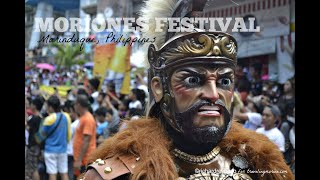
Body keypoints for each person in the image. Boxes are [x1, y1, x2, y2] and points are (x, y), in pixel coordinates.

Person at [81, 0, 293, 179]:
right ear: (158, 87)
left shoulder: (258, 163)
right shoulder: (122, 173)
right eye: (193, 80)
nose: (213, 94)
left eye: (225, 82)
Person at [36, 95, 71, 180]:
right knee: (64, 173)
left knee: (52, 174)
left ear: (51, 107)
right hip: (63, 149)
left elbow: (39, 137)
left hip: (50, 150)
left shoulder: (48, 119)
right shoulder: (66, 116)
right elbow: (69, 135)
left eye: (47, 106)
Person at [73, 94, 97, 178]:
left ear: (78, 105)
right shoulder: (83, 117)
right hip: (81, 158)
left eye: (74, 104)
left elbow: (86, 141)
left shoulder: (88, 119)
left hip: (85, 159)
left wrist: (79, 160)